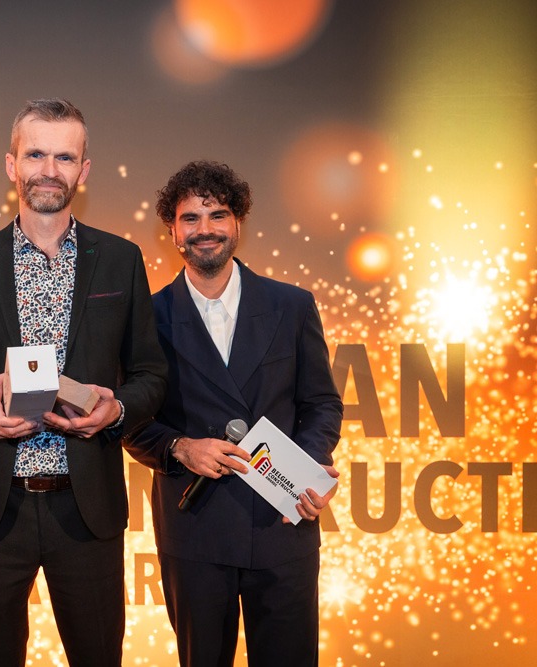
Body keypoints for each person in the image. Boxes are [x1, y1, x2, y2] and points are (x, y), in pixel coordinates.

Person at [0, 98, 166, 667]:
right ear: (11, 165)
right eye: (35, 155)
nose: (49, 170)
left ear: (84, 169)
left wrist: (116, 411)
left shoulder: (121, 260)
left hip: (87, 507)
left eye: (65, 157)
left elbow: (151, 374)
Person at [124, 160, 343, 666]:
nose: (205, 229)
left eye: (217, 215)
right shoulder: (146, 318)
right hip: (195, 526)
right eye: (190, 218)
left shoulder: (292, 306)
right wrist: (180, 448)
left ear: (238, 222)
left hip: (283, 520)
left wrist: (307, 467)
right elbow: (129, 419)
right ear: (172, 230)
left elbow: (321, 403)